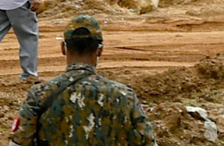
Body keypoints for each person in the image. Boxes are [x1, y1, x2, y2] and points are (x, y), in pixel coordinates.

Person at [10, 15, 156, 146]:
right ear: (100, 50)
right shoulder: (125, 96)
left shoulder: (39, 95)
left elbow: (18, 142)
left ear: (63, 48)